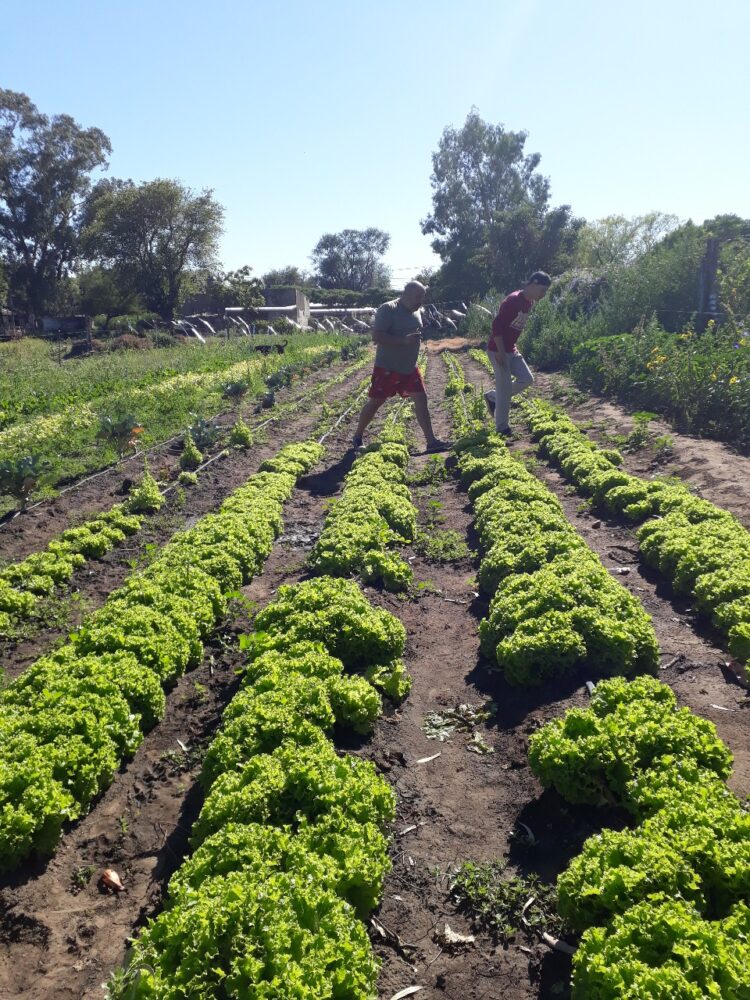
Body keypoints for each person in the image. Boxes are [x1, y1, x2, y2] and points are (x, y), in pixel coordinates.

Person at [352, 281, 449, 452]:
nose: (421, 301)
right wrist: (404, 341)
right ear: (407, 294)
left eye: (423, 297)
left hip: (409, 367)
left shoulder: (417, 311)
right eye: (418, 297)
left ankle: (431, 441)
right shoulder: (388, 309)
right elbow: (377, 336)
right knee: (376, 401)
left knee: (421, 399)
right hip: (388, 366)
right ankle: (358, 435)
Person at [484, 271, 551, 435]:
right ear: (533, 284)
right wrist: (501, 352)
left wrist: (511, 346)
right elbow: (496, 326)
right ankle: (502, 428)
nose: (544, 294)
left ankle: (494, 397)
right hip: (497, 350)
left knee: (527, 379)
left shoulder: (529, 302)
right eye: (542, 290)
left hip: (511, 349)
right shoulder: (513, 300)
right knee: (505, 387)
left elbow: (513, 327)